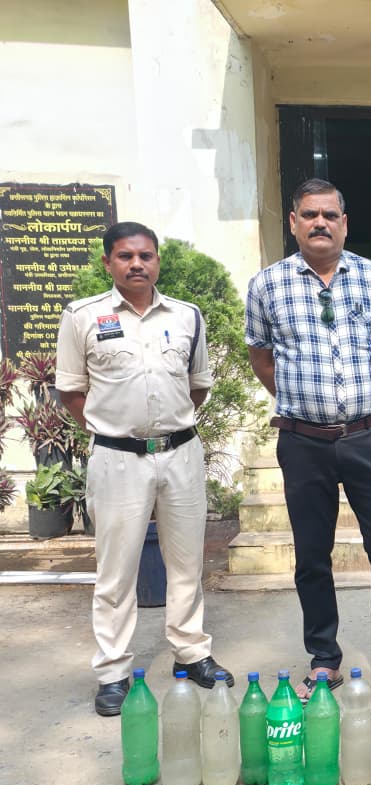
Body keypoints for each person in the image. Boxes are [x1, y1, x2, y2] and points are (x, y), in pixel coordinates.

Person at [246, 178, 371, 701]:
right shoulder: (267, 285)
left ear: (345, 223)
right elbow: (261, 357)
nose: (319, 223)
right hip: (303, 443)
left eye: (329, 215)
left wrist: (361, 404)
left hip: (369, 437)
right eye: (309, 214)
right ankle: (324, 656)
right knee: (311, 556)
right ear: (293, 222)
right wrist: (305, 404)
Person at [56, 221, 233, 716]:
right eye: (125, 256)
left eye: (146, 256)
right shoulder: (82, 317)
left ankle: (191, 652)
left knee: (186, 563)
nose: (137, 264)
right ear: (108, 262)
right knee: (116, 571)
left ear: (158, 261)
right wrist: (115, 428)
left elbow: (197, 386)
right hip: (117, 460)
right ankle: (113, 671)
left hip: (181, 454)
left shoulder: (187, 316)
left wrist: (166, 429)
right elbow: (71, 391)